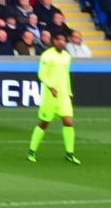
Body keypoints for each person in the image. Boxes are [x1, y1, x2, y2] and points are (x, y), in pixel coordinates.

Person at [28, 33, 79, 164]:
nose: (62, 42)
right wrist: (51, 87)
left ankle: (70, 153)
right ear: (53, 41)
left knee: (68, 122)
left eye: (63, 40)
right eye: (59, 39)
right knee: (44, 123)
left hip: (63, 95)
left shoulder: (67, 56)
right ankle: (32, 151)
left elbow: (66, 75)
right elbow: (41, 74)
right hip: (50, 96)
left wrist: (69, 91)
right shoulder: (47, 55)